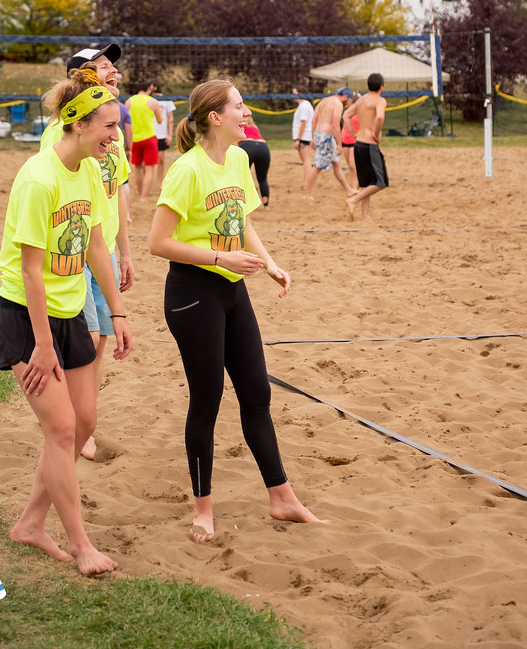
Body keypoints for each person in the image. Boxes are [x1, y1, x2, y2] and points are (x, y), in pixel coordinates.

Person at [149, 77, 327, 543]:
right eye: (240, 106)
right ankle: (202, 509)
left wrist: (269, 264)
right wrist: (219, 258)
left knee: (257, 393)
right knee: (207, 401)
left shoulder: (240, 158)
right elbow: (157, 243)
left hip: (232, 290)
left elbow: (241, 221)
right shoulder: (186, 170)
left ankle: (282, 498)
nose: (247, 113)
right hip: (192, 292)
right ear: (215, 117)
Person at [0, 71, 132, 575]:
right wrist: (43, 344)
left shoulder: (92, 172)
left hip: (73, 310)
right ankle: (80, 544)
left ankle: (30, 523)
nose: (115, 137)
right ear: (76, 124)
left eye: (116, 127)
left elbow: (97, 244)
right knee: (61, 427)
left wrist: (116, 311)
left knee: (85, 423)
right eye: (108, 127)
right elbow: (30, 271)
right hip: (28, 317)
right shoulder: (38, 177)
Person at [41, 43, 133, 460]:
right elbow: (56, 197)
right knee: (90, 338)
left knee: (98, 344)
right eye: (102, 65)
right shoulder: (62, 134)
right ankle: (75, 426)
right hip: (74, 252)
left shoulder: (111, 128)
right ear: (81, 79)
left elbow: (119, 193)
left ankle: (84, 421)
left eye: (113, 63)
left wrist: (124, 253)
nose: (113, 69)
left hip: (103, 250)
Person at [344, 73, 389, 222]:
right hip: (370, 145)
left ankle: (364, 216)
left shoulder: (361, 100)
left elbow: (346, 115)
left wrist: (353, 133)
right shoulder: (380, 100)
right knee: (380, 182)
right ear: (381, 87)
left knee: (366, 182)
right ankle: (353, 200)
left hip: (359, 144)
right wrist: (376, 133)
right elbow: (380, 117)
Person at [303, 87, 355, 199]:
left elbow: (314, 120)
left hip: (319, 134)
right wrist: (340, 144)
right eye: (350, 99)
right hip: (326, 137)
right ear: (345, 97)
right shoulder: (338, 104)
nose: (349, 102)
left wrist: (313, 138)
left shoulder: (324, 100)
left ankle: (348, 189)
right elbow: (335, 124)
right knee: (318, 166)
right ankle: (307, 194)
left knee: (336, 164)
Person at [126, 81, 163, 202]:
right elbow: (160, 120)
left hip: (135, 139)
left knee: (137, 168)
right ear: (148, 88)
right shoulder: (152, 101)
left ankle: (140, 192)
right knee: (149, 168)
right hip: (149, 138)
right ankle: (143, 197)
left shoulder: (128, 102)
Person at [238, 119, 271, 208]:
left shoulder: (238, 126)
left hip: (247, 146)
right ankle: (266, 205)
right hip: (263, 147)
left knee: (243, 178)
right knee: (262, 179)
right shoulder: (254, 126)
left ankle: (245, 204)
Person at [291, 89, 314, 191]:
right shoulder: (304, 105)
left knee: (306, 160)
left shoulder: (304, 105)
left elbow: (303, 123)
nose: (293, 95)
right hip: (304, 136)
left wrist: (298, 139)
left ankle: (307, 182)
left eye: (295, 92)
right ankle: (307, 182)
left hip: (304, 137)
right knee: (305, 160)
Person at [152, 85, 175, 187]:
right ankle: (146, 182)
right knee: (147, 162)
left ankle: (160, 182)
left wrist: (169, 135)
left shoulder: (166, 100)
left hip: (162, 134)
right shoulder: (147, 99)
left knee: (161, 160)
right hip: (149, 134)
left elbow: (170, 118)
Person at [340, 92, 360, 190]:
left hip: (355, 140)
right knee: (350, 166)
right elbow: (344, 127)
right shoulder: (346, 112)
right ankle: (353, 186)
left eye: (348, 100)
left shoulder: (359, 111)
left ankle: (360, 183)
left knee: (353, 165)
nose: (346, 102)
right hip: (345, 140)